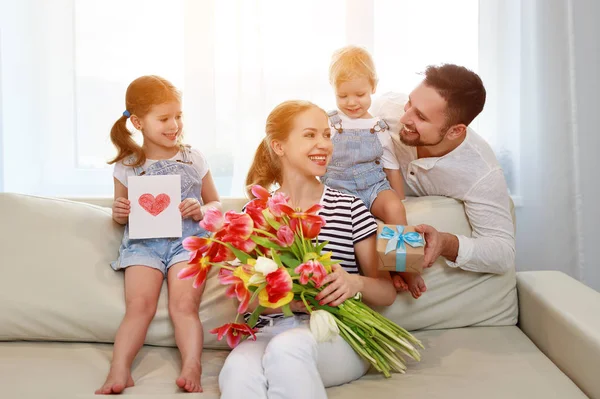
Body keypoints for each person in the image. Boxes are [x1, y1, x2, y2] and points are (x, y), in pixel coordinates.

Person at [218, 100, 397, 399]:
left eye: (327, 135)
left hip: (335, 334)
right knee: (238, 370)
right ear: (279, 146)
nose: (324, 144)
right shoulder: (255, 214)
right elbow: (244, 301)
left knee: (287, 349)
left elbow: (387, 293)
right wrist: (284, 301)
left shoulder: (350, 207)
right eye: (310, 135)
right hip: (266, 331)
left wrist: (354, 283)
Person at [96, 75, 221, 395]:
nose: (174, 124)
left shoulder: (193, 157)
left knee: (184, 305)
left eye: (178, 116)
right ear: (137, 122)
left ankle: (192, 365)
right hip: (143, 244)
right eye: (164, 118)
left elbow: (215, 203)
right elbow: (119, 210)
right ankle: (119, 369)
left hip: (187, 241)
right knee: (139, 306)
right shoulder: (127, 164)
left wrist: (202, 209)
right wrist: (119, 212)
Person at [371, 64, 515, 293]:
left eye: (420, 116)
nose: (404, 116)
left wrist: (447, 243)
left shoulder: (482, 172)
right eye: (410, 102)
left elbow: (502, 252)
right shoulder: (385, 109)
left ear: (455, 131)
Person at [321, 45, 425, 298]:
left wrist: (398, 198)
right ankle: (389, 275)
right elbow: (318, 156)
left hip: (373, 185)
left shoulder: (378, 127)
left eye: (360, 94)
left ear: (373, 87)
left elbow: (390, 164)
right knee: (353, 229)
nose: (352, 102)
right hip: (339, 188)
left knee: (393, 208)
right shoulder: (329, 122)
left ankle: (406, 268)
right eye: (343, 96)